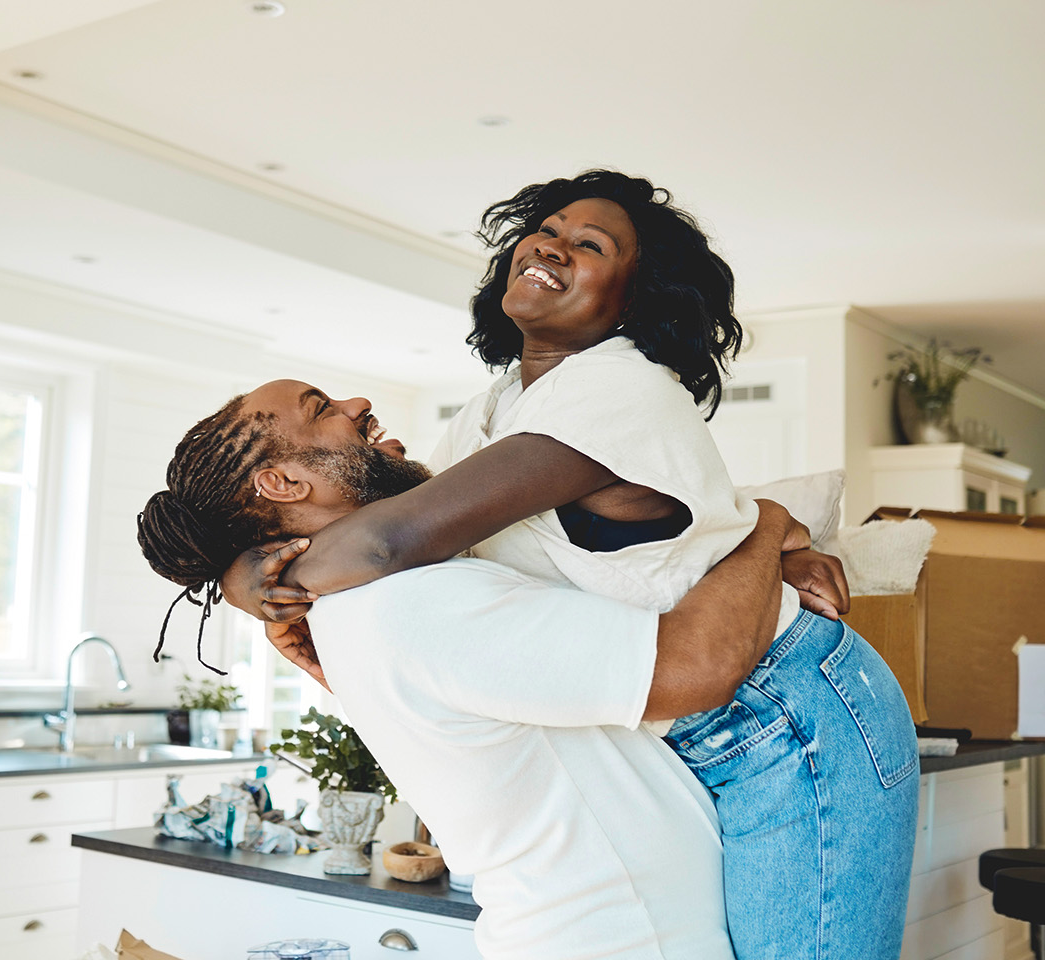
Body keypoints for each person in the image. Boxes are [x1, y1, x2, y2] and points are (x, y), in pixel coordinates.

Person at [143, 171, 918, 960]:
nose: (550, 243)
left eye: (590, 244)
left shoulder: (620, 389)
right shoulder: (501, 404)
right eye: (547, 227)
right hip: (699, 714)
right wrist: (251, 567)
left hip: (784, 706)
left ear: (635, 297)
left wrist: (253, 579)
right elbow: (414, 580)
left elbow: (384, 543)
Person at [139, 390, 803, 958]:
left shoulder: (358, 606)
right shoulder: (414, 605)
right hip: (623, 939)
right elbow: (700, 668)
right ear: (283, 483)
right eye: (322, 409)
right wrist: (765, 524)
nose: (357, 404)